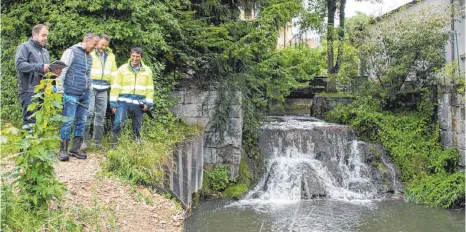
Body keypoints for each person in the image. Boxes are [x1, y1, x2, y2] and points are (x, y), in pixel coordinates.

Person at [56, 33, 99, 161]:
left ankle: (75, 148)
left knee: (82, 121)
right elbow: (61, 70)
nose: (95, 48)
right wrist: (59, 89)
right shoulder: (71, 51)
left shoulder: (90, 57)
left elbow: (87, 75)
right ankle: (63, 150)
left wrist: (90, 87)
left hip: (85, 94)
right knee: (68, 121)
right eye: (94, 44)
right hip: (71, 93)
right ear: (86, 40)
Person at [15, 24, 61, 131]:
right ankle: (26, 148)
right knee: (29, 123)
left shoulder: (45, 52)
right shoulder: (24, 47)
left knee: (40, 123)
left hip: (43, 91)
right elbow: (20, 65)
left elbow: (45, 71)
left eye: (47, 36)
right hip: (29, 90)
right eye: (43, 35)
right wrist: (40, 67)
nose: (46, 38)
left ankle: (38, 146)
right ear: (35, 34)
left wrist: (54, 74)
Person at [110, 47, 154, 147]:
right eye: (133, 56)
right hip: (123, 102)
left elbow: (150, 88)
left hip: (139, 103)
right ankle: (114, 146)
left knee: (137, 127)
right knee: (118, 122)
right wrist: (113, 103)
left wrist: (148, 104)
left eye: (137, 56)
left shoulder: (147, 71)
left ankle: (136, 146)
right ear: (130, 56)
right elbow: (115, 87)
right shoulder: (122, 69)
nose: (135, 58)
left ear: (141, 57)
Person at [82, 34, 118, 151]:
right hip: (91, 88)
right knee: (89, 113)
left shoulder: (111, 56)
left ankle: (96, 142)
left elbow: (114, 74)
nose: (103, 47)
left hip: (104, 89)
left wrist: (114, 90)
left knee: (101, 115)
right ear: (97, 43)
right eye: (102, 44)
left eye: (106, 45)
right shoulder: (90, 53)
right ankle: (83, 142)